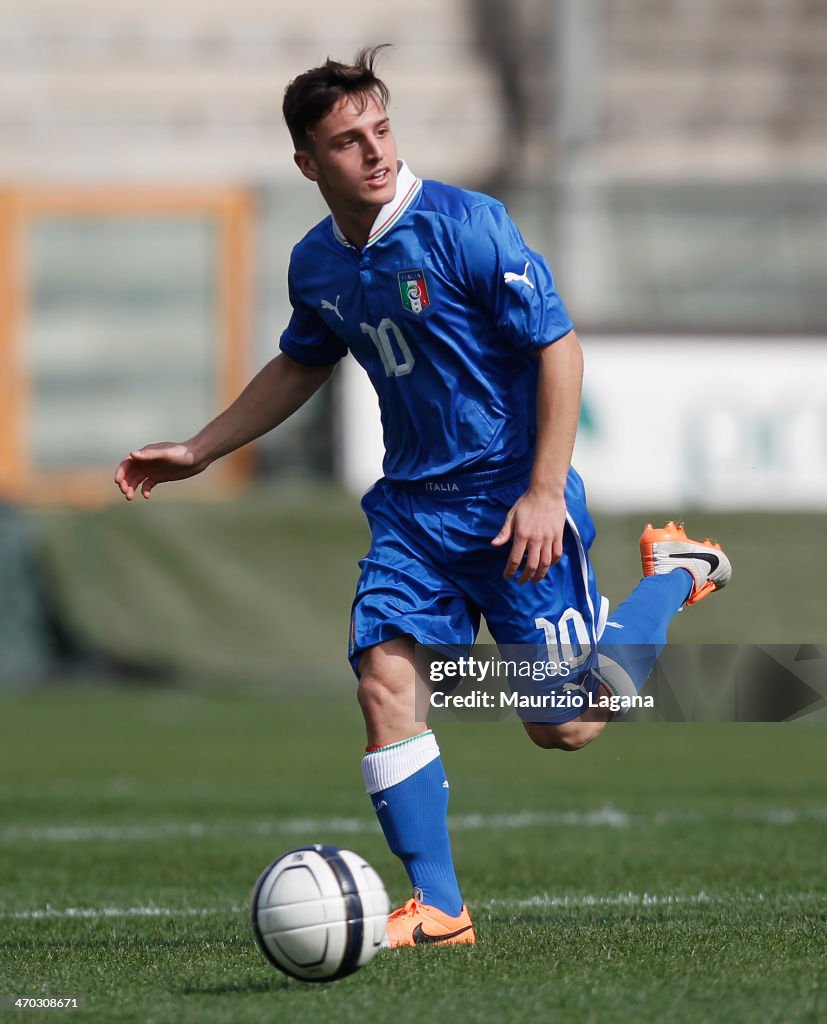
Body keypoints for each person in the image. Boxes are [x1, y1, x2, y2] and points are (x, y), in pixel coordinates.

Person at [114, 45, 731, 949]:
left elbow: (558, 348)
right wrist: (203, 449)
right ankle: (440, 907)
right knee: (383, 684)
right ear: (307, 163)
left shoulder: (464, 224)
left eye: (381, 128)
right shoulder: (316, 264)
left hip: (513, 500)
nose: (373, 151)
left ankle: (674, 577)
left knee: (566, 726)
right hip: (411, 511)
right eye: (346, 140)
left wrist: (544, 490)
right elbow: (304, 357)